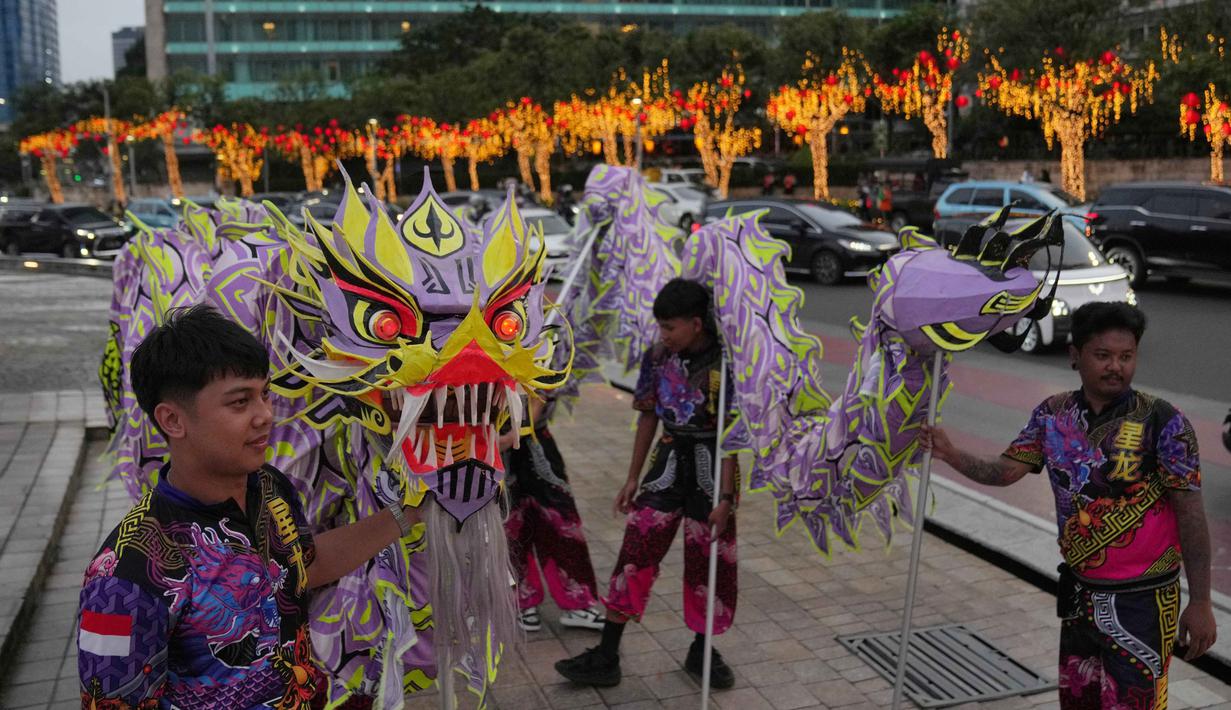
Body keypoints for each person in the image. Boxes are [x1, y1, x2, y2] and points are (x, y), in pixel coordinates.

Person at [78, 305, 423, 709]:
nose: (265, 416)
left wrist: (411, 510)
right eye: (240, 403)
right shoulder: (127, 573)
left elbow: (301, 567)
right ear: (172, 420)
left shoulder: (269, 488)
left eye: (265, 394)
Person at [919, 302, 1215, 709]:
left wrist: (1200, 601)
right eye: (1103, 355)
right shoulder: (1051, 415)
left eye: (1126, 356)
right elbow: (1005, 472)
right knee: (1078, 702)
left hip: (1144, 602)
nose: (1116, 367)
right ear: (1074, 356)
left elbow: (1191, 513)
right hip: (1080, 596)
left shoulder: (1164, 421)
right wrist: (950, 454)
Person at [555, 278, 739, 690]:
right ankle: (606, 655)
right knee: (635, 552)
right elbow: (648, 416)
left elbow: (733, 434)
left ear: (695, 323)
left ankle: (701, 649)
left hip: (714, 472)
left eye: (670, 328)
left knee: (711, 563)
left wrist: (726, 497)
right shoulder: (657, 357)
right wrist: (632, 477)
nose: (664, 335)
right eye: (660, 328)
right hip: (667, 462)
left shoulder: (729, 363)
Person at [500, 395, 606, 633]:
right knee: (510, 525)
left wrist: (513, 436)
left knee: (562, 519)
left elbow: (542, 393)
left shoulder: (547, 355)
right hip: (493, 442)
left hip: (535, 442)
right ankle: (522, 600)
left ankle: (577, 601)